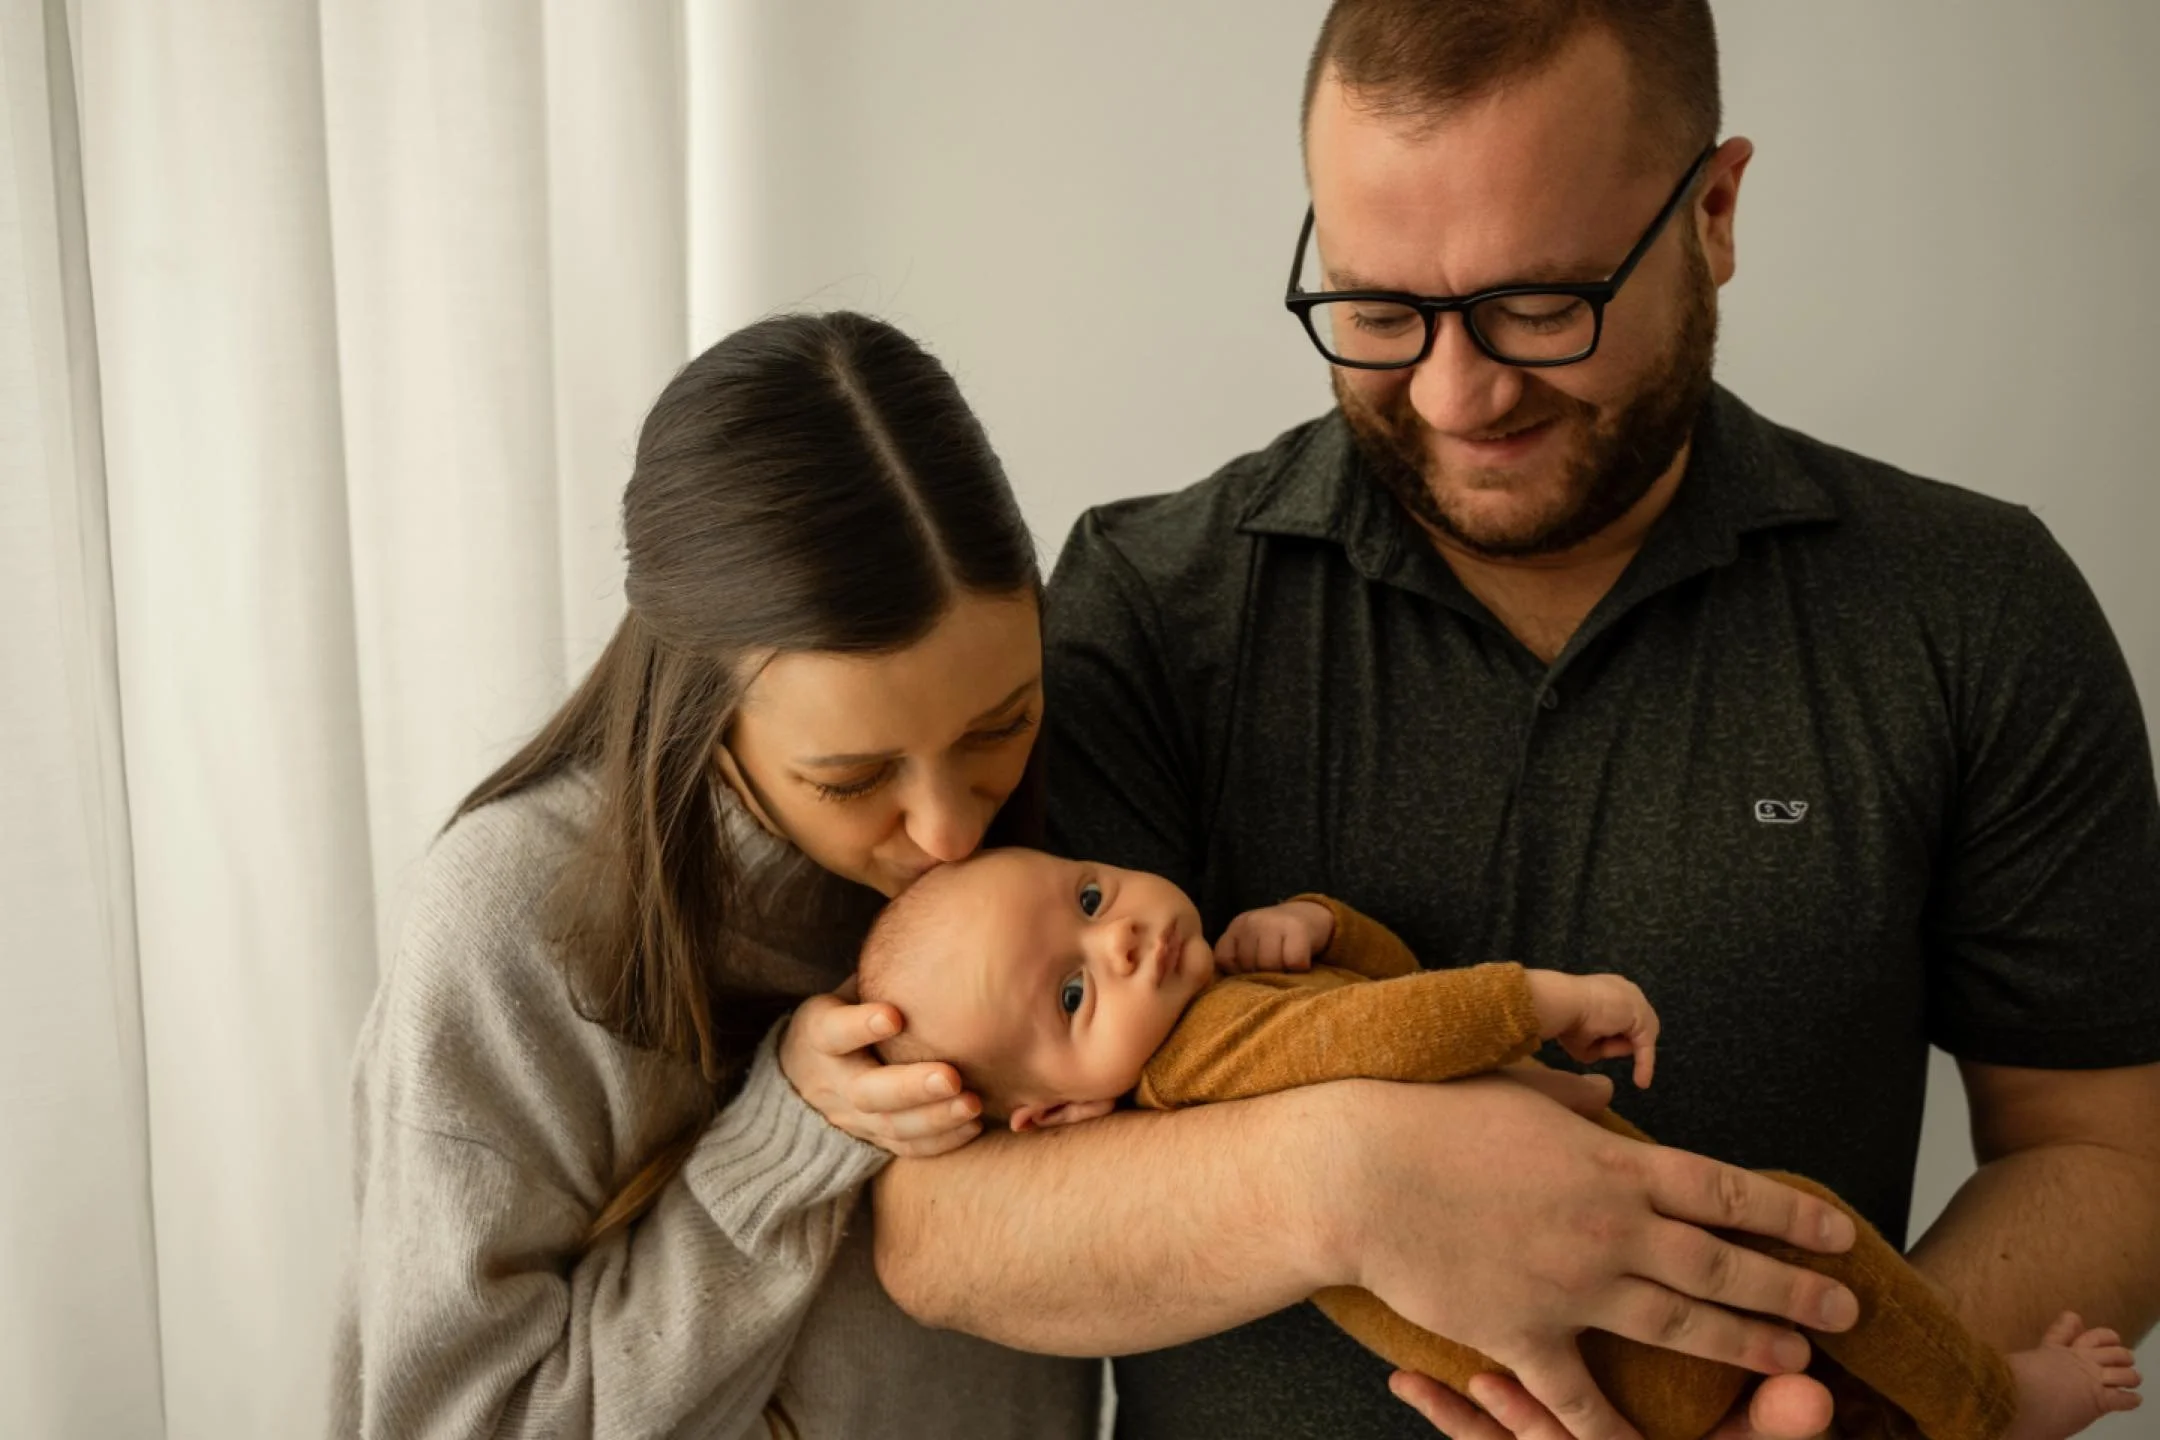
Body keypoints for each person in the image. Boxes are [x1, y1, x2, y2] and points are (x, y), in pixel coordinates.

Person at [871, 4, 2160, 1439]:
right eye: (1375, 310)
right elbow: (941, 1230)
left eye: (1541, 305)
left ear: (1714, 213)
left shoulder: (1970, 607)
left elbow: (2103, 1147)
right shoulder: (1148, 604)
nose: (1455, 392)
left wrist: (1849, 1419)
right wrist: (1351, 1178)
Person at [328, 311, 1099, 1439]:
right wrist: (782, 1145)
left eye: (1001, 725)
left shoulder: (1068, 837)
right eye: (852, 777)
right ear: (706, 718)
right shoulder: (510, 920)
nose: (945, 832)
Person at [856, 847, 2144, 1440]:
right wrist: (1538, 999)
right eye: (1073, 995)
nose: (1121, 938)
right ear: (1054, 1116)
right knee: (1810, 1225)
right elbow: (1402, 1027)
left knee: (1794, 1368)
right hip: (1612, 1341)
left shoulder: (1211, 1014)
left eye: (1089, 896)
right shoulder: (1203, 1059)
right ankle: (1986, 1403)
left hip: (1592, 1381)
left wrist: (1315, 921)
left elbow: (1369, 992)